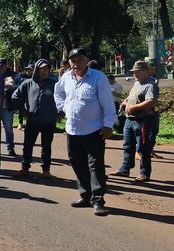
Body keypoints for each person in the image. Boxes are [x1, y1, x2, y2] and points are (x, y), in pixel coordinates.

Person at [54, 48, 116, 216]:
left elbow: (108, 103)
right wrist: (62, 108)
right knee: (77, 163)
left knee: (95, 166)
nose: (75, 63)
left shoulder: (98, 78)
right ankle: (85, 195)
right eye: (72, 60)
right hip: (72, 130)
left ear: (86, 60)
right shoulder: (66, 77)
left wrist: (108, 124)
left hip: (94, 130)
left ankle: (98, 201)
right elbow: (58, 92)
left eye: (79, 59)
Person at [109, 61, 159, 182]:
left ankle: (144, 172)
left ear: (146, 72)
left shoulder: (150, 85)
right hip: (130, 119)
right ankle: (125, 169)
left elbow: (151, 102)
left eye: (138, 72)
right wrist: (126, 102)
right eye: (134, 72)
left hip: (143, 121)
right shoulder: (137, 83)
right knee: (127, 145)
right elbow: (132, 95)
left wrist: (134, 107)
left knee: (143, 147)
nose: (135, 74)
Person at [11, 59, 57, 178]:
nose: (44, 71)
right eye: (42, 69)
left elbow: (63, 98)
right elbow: (15, 96)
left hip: (49, 121)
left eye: (47, 69)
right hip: (32, 120)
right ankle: (24, 168)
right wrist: (23, 111)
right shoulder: (28, 83)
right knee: (27, 145)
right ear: (37, 69)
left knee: (46, 146)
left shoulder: (54, 84)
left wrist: (59, 113)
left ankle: (46, 170)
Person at [0, 59, 18, 157]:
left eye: (1, 66)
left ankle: (10, 148)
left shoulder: (13, 75)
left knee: (8, 128)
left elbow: (19, 86)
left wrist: (11, 87)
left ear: (6, 66)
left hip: (7, 106)